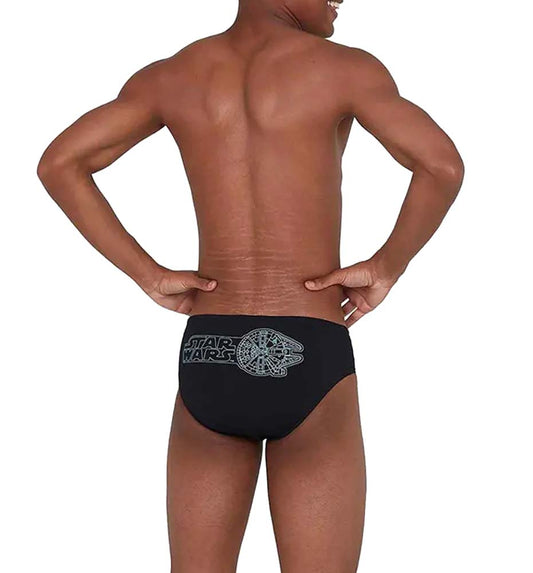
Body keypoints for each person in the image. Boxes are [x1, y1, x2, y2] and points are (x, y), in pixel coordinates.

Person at [37, 0, 464, 570]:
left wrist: (149, 275)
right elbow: (442, 166)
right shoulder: (347, 70)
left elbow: (61, 163)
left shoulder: (175, 74)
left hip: (210, 351)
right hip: (311, 348)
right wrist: (387, 266)